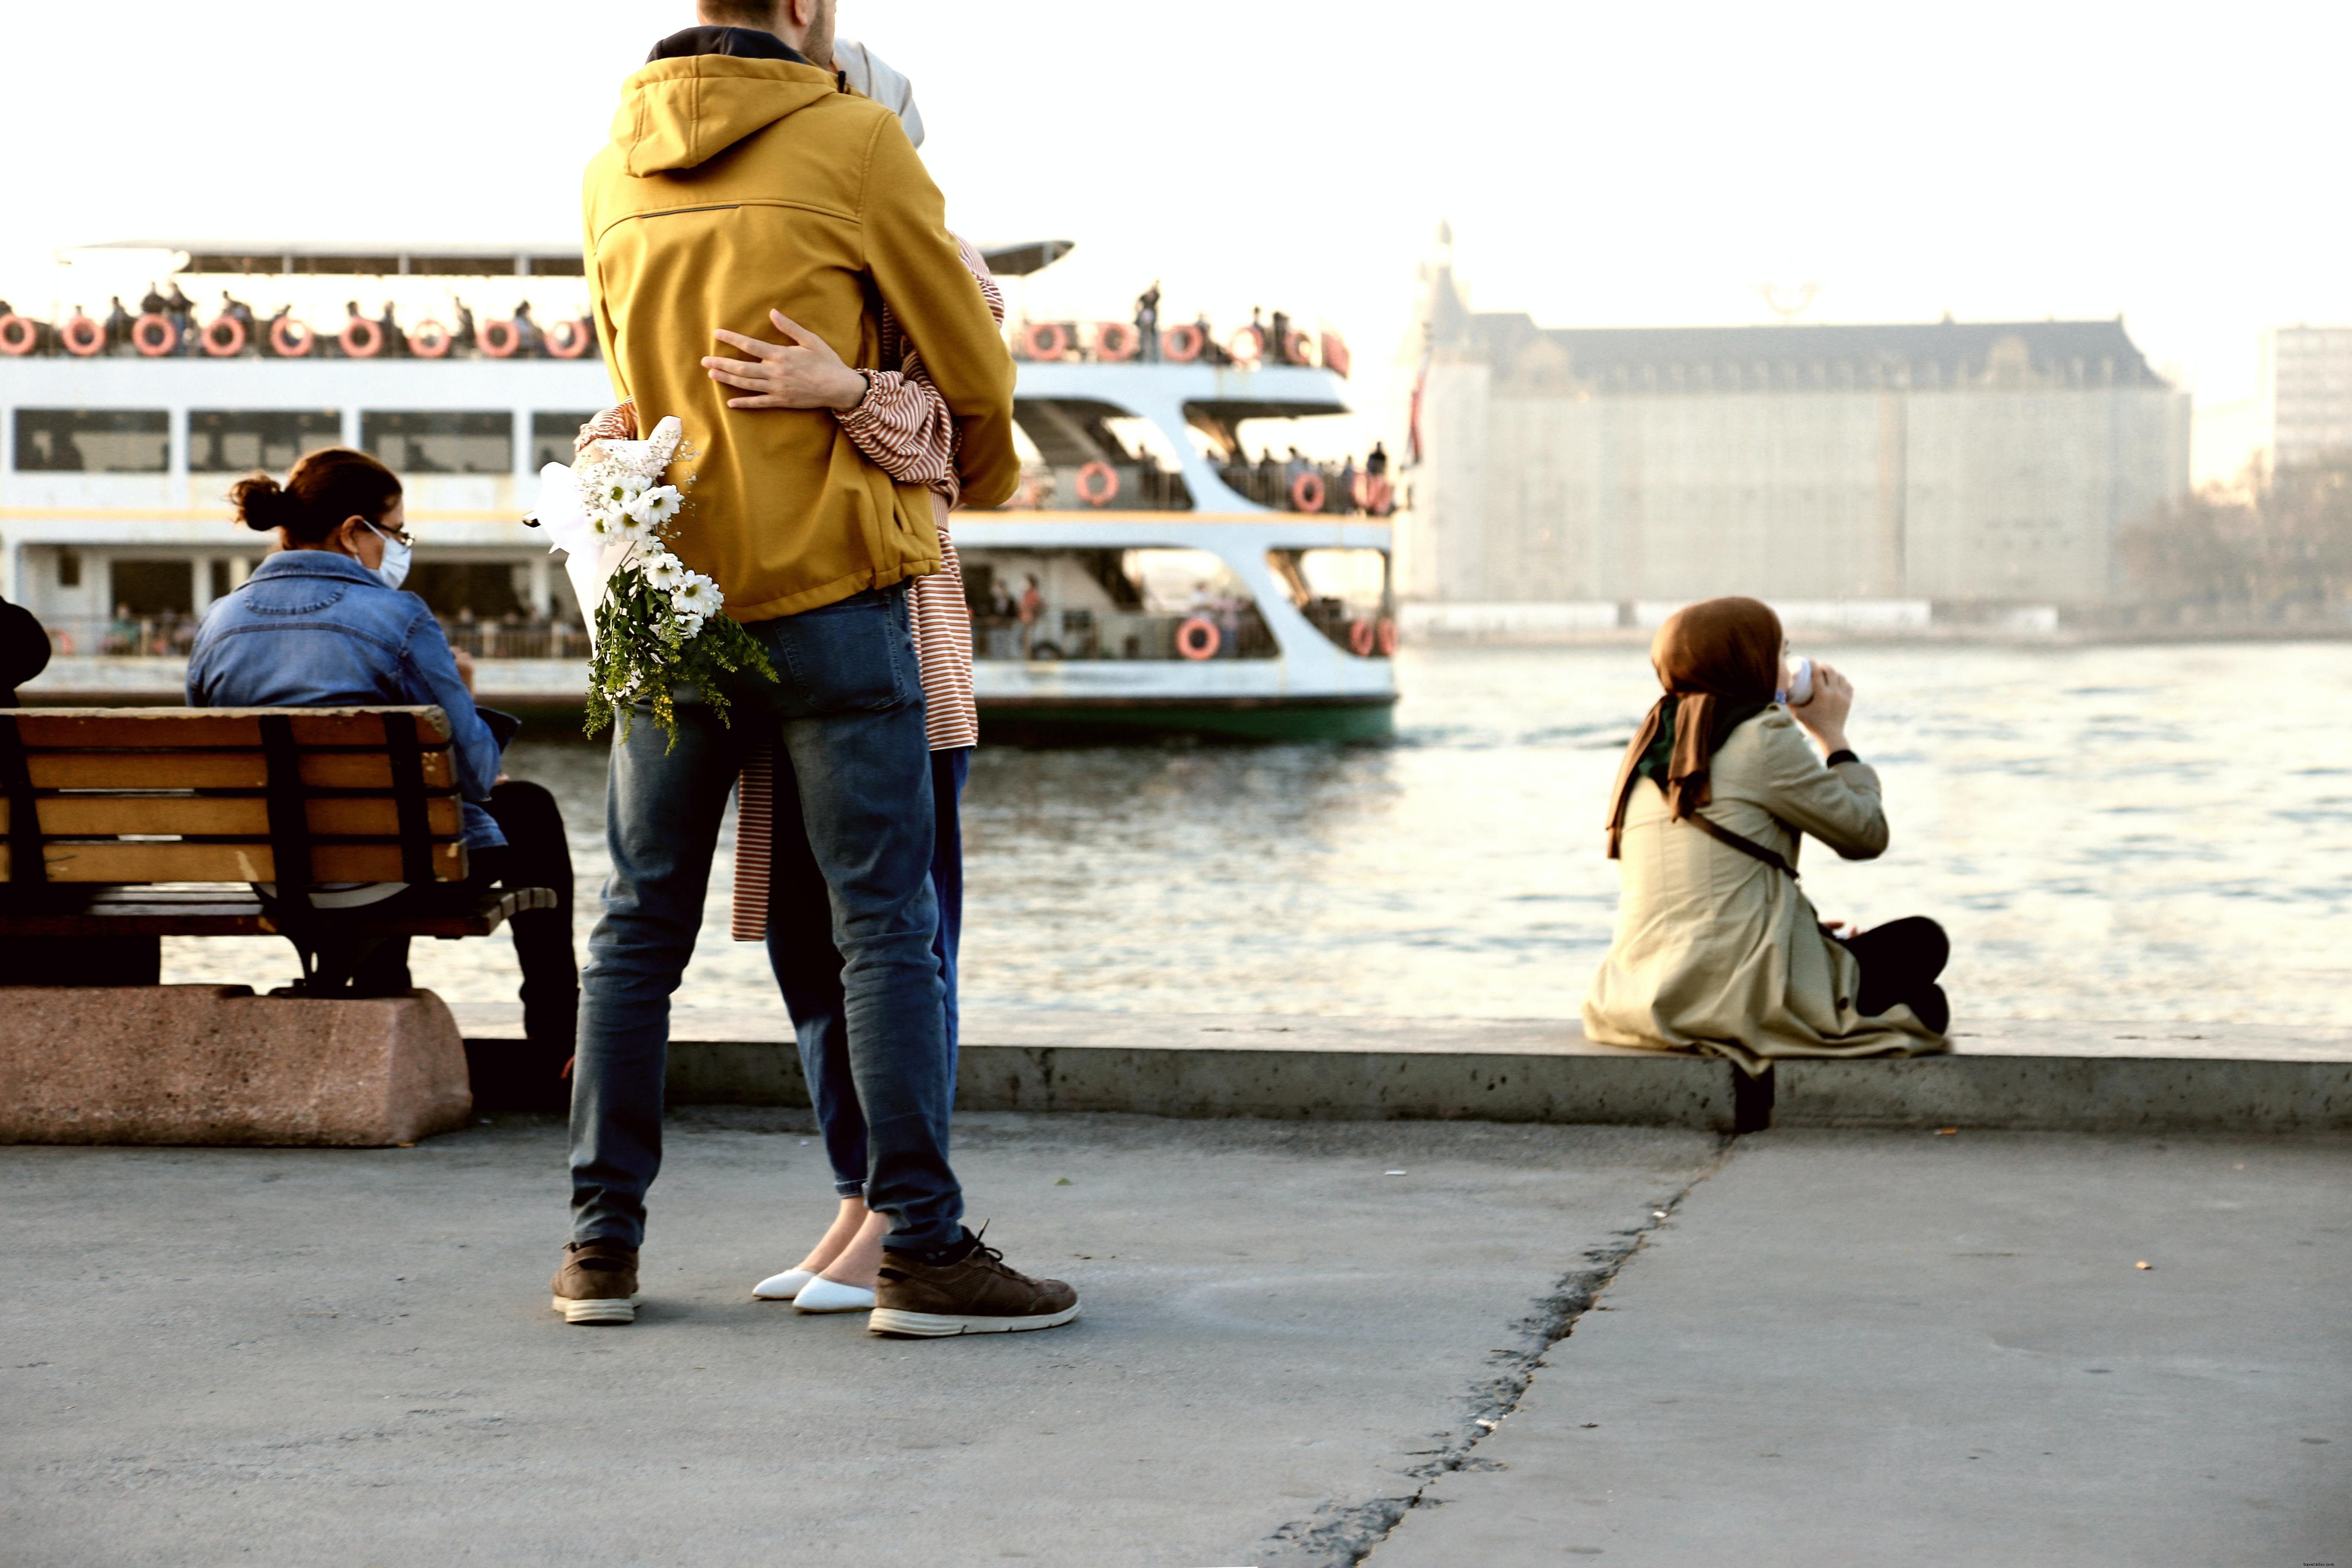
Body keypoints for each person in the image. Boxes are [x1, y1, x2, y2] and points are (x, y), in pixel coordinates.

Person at [565, 0, 1076, 1335]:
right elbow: (976, 388)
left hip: (672, 601)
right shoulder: (853, 142)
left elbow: (630, 392)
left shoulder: (610, 165)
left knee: (634, 933)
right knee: (884, 926)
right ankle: (920, 1249)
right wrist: (963, 457)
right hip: (832, 590)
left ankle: (599, 1254)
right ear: (802, 12)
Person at [185, 448, 579, 1083]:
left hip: (273, 871)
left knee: (380, 819)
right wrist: (467, 704)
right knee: (526, 810)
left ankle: (380, 988)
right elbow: (477, 776)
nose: (399, 546)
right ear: (353, 533)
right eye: (396, 532)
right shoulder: (399, 617)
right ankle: (558, 1040)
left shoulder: (218, 622)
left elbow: (211, 771)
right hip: (397, 867)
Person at [1583, 597, 1948, 1075]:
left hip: (1639, 993)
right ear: (1747, 661)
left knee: (1896, 961)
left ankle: (1812, 959)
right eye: (1779, 655)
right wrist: (1833, 737)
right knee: (1924, 952)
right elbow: (1866, 835)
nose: (1788, 669)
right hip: (1734, 992)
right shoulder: (1762, 734)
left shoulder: (1651, 741)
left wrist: (1799, 927)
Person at [1134, 279, 1161, 361]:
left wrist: (1156, 284)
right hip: (1143, 322)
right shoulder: (1144, 298)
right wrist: (1138, 313)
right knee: (1143, 338)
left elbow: (1155, 291)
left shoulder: (1155, 299)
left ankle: (1153, 356)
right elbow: (1137, 305)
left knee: (1153, 338)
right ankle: (1142, 356)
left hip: (1152, 324)